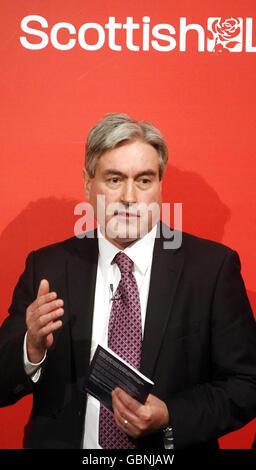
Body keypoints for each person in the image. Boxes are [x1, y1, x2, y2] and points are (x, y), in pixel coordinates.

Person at [0, 113, 255, 449]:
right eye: (115, 180)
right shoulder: (46, 266)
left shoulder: (212, 268)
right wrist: (29, 350)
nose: (130, 198)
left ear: (160, 186)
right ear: (88, 184)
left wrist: (170, 416)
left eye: (145, 180)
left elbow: (247, 383)